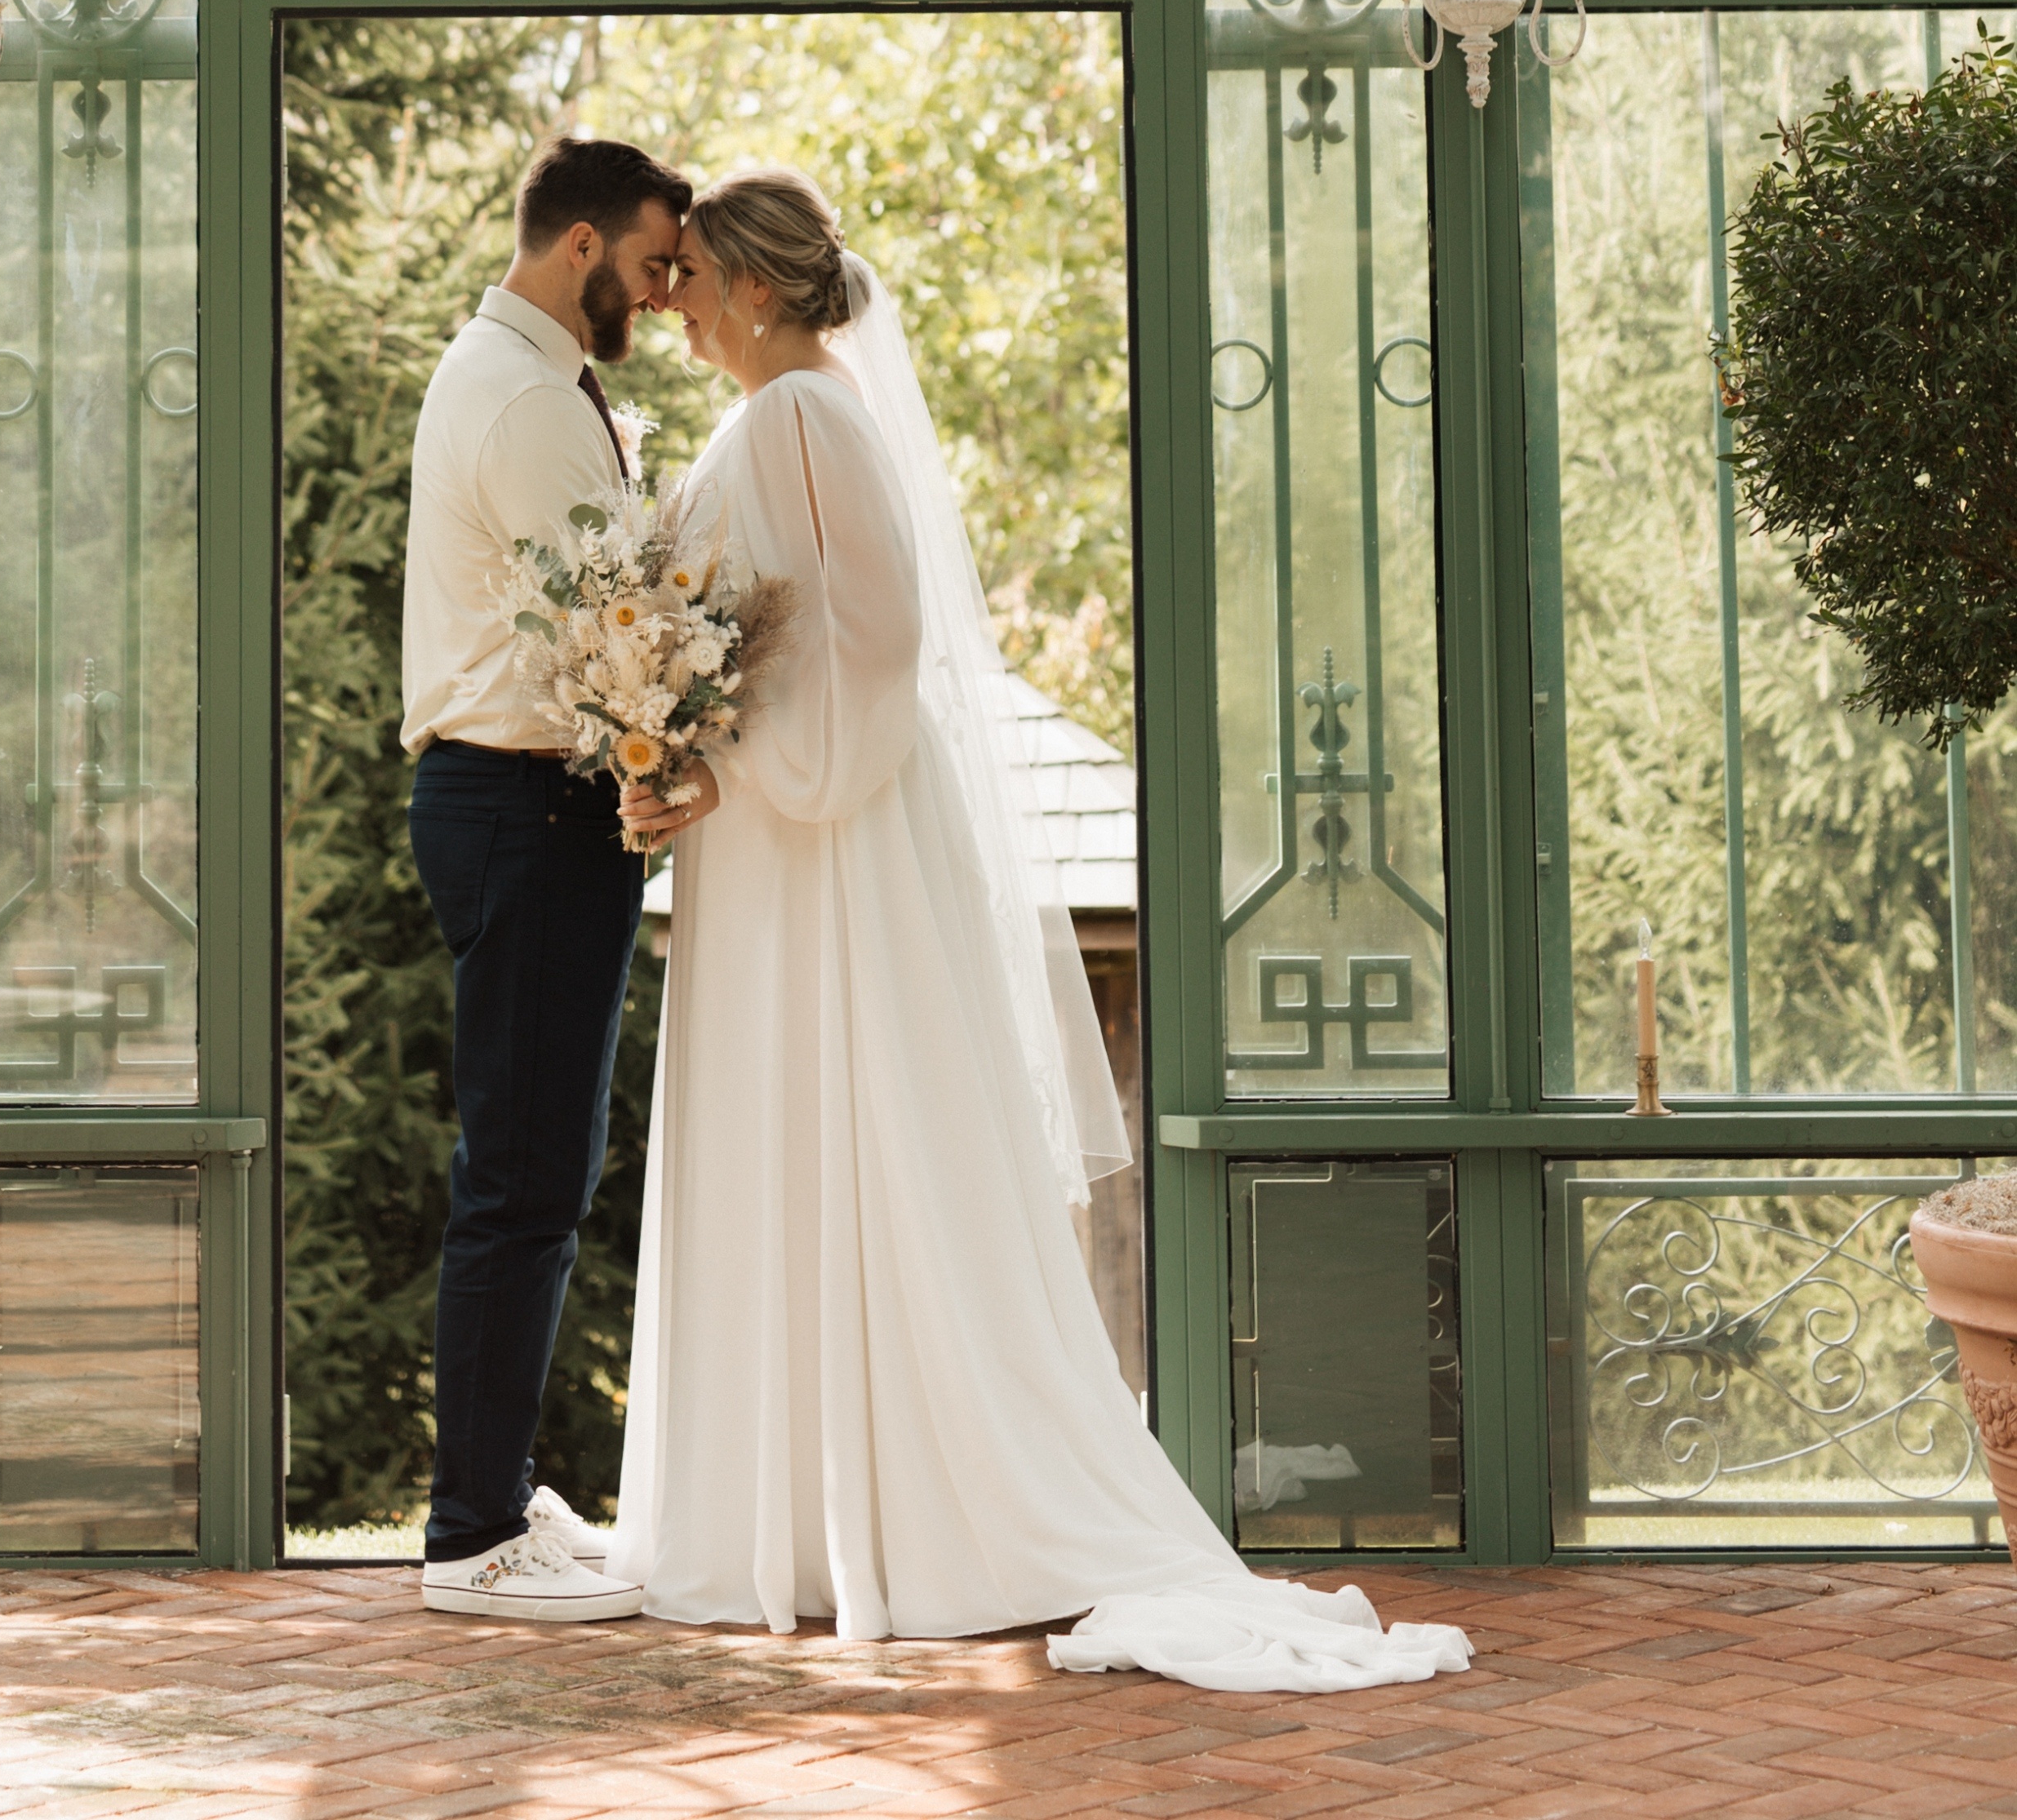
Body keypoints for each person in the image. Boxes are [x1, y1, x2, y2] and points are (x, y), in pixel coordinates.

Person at [611, 164, 1471, 1695]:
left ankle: (886, 1511)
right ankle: (806, 1510)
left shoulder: (804, 413)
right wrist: (677, 741)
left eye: (687, 278)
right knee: (801, 1130)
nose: (669, 304)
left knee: (859, 1125)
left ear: (747, 286)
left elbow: (876, 636)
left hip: (831, 831)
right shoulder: (780, 416)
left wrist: (740, 750)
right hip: (773, 827)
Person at [402, 128, 689, 1625]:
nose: (657, 293)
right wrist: (663, 750)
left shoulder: (522, 377)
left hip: (523, 805)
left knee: (543, 1170)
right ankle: (470, 1541)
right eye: (649, 264)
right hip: (522, 804)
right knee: (521, 1181)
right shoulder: (524, 396)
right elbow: (612, 621)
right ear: (580, 247)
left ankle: (501, 1494)